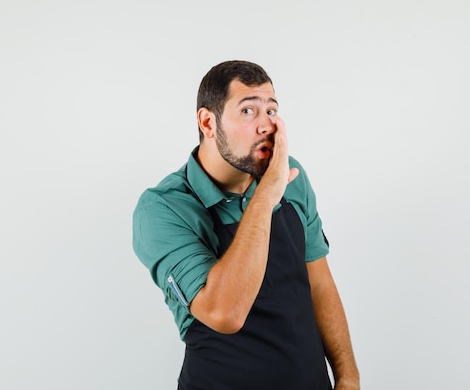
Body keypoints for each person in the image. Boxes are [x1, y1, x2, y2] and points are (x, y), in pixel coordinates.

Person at [132, 60, 359, 390]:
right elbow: (225, 313)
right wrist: (266, 194)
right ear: (208, 123)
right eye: (249, 111)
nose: (266, 124)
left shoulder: (291, 178)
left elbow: (320, 284)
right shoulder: (164, 207)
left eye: (271, 110)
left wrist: (348, 378)